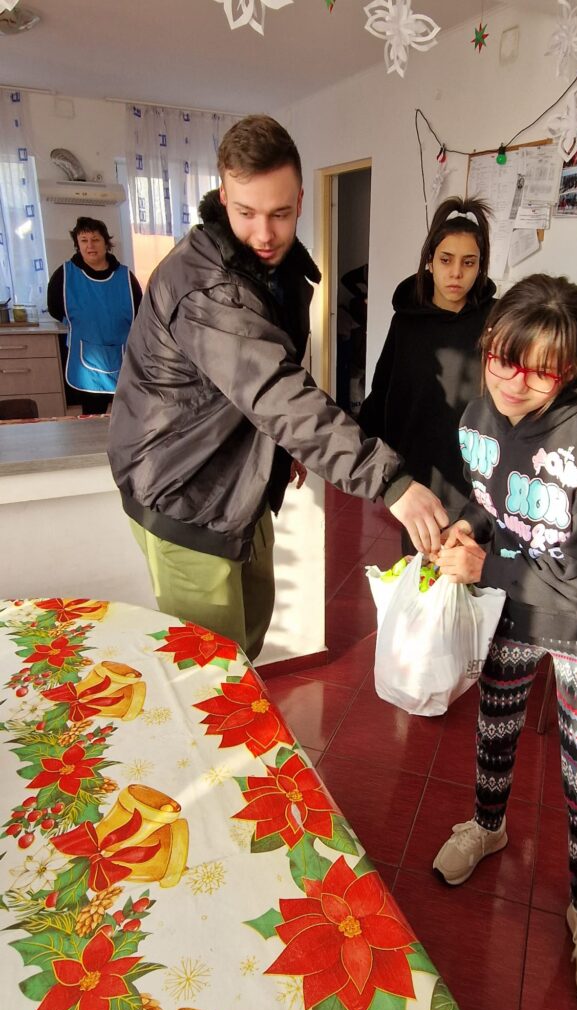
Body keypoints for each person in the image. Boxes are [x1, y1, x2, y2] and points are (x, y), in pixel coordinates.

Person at [108, 114, 447, 659]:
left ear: (300, 200)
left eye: (280, 214)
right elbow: (274, 390)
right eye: (246, 213)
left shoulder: (273, 269)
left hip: (234, 482)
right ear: (223, 197)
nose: (265, 234)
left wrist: (281, 449)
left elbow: (270, 371)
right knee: (210, 672)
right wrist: (389, 481)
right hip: (183, 492)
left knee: (247, 642)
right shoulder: (206, 287)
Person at [432, 274, 577, 1005]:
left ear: (570, 368)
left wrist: (486, 567)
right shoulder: (479, 413)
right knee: (496, 725)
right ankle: (486, 828)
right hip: (515, 610)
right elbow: (490, 496)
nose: (516, 382)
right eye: (504, 359)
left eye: (541, 369)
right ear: (488, 343)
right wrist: (468, 525)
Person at [357, 197, 496, 553]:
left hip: (479, 484)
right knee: (422, 571)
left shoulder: (497, 323)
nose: (456, 273)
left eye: (468, 262)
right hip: (421, 478)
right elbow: (383, 395)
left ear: (480, 267)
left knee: (474, 576)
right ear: (430, 262)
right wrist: (377, 468)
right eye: (446, 260)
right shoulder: (406, 323)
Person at [47, 217, 142, 414]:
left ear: (106, 243)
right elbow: (55, 308)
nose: (90, 245)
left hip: (122, 356)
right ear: (77, 245)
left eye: (96, 239)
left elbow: (139, 311)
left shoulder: (125, 277)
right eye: (84, 240)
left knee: (126, 416)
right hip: (85, 360)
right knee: (91, 418)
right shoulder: (65, 275)